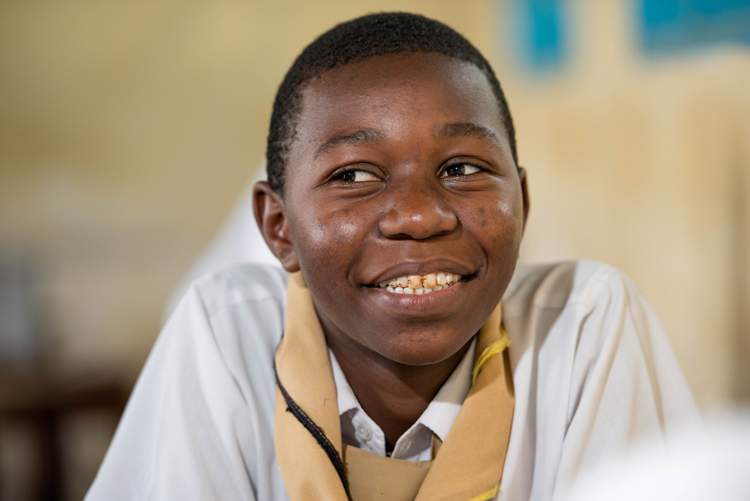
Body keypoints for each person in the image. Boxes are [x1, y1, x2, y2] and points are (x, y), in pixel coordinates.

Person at [86, 12, 699, 501]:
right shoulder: (227, 334)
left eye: (462, 168)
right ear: (279, 226)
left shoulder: (583, 327)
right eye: (354, 175)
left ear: (523, 198)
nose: (418, 215)